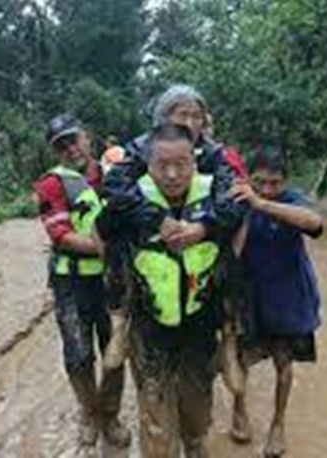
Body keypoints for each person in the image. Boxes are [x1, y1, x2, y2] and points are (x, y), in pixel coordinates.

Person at [99, 85, 247, 376]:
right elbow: (114, 186)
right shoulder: (142, 147)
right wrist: (156, 218)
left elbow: (232, 200)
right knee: (108, 223)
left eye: (197, 117)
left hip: (197, 224)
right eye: (183, 116)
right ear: (163, 118)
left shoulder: (214, 152)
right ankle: (119, 321)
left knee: (238, 231)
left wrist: (204, 228)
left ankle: (229, 338)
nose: (191, 124)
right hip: (151, 224)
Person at [96, 123, 222, 457]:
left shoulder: (215, 198)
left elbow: (238, 247)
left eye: (180, 164)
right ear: (147, 165)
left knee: (197, 416)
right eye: (161, 165)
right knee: (156, 418)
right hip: (150, 328)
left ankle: (195, 446)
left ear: (194, 162)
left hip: (200, 325)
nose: (171, 174)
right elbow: (101, 238)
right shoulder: (129, 202)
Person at [32, 114, 131, 450]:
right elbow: (61, 235)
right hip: (71, 284)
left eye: (74, 139)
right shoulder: (50, 184)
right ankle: (89, 413)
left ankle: (111, 415)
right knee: (77, 355)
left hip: (111, 281)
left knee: (114, 351)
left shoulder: (116, 176)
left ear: (88, 138)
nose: (70, 148)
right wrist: (109, 248)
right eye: (62, 145)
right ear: (56, 151)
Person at [227, 146, 324, 457]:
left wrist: (262, 203)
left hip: (288, 294)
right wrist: (245, 209)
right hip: (250, 294)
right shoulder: (237, 200)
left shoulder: (292, 199)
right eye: (259, 182)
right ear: (247, 178)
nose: (268, 188)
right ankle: (239, 409)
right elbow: (232, 255)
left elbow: (314, 223)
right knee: (241, 359)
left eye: (275, 182)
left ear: (286, 181)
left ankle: (278, 424)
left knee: (285, 362)